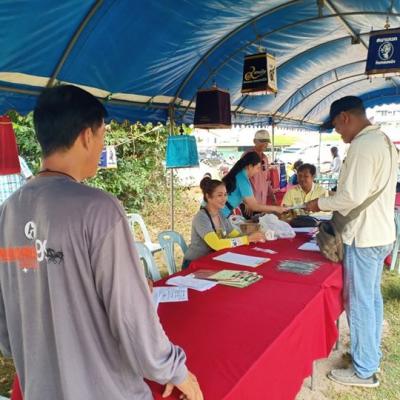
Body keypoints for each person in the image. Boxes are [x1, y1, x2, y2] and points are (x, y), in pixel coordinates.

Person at [0, 85, 203, 400]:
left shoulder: (8, 211)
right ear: (86, 136)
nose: (102, 145)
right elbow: (130, 314)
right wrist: (174, 370)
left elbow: (9, 317)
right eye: (102, 135)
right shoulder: (98, 209)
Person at [305, 96, 397, 388]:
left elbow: (351, 197)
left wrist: (319, 203)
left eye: (336, 126)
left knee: (360, 303)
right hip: (380, 233)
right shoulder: (383, 141)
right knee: (370, 300)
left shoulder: (362, 145)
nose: (338, 133)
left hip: (364, 236)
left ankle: (364, 369)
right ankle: (368, 357)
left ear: (345, 117)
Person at [184, 177, 265, 265]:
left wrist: (252, 235)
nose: (224, 199)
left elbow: (234, 234)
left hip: (214, 259)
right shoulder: (201, 218)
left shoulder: (220, 214)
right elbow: (217, 244)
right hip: (194, 263)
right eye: (219, 195)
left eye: (225, 194)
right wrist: (247, 239)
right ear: (208, 197)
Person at [221, 151, 286, 217]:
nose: (258, 171)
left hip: (223, 211)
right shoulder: (243, 179)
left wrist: (246, 202)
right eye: (257, 168)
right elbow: (254, 206)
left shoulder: (240, 174)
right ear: (250, 166)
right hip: (222, 212)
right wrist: (276, 209)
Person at [242, 129, 276, 205]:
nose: (264, 144)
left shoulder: (265, 158)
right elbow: (241, 179)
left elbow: (267, 179)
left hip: (262, 200)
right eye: (262, 141)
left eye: (266, 142)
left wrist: (271, 194)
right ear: (254, 141)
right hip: (250, 200)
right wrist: (245, 200)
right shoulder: (247, 156)